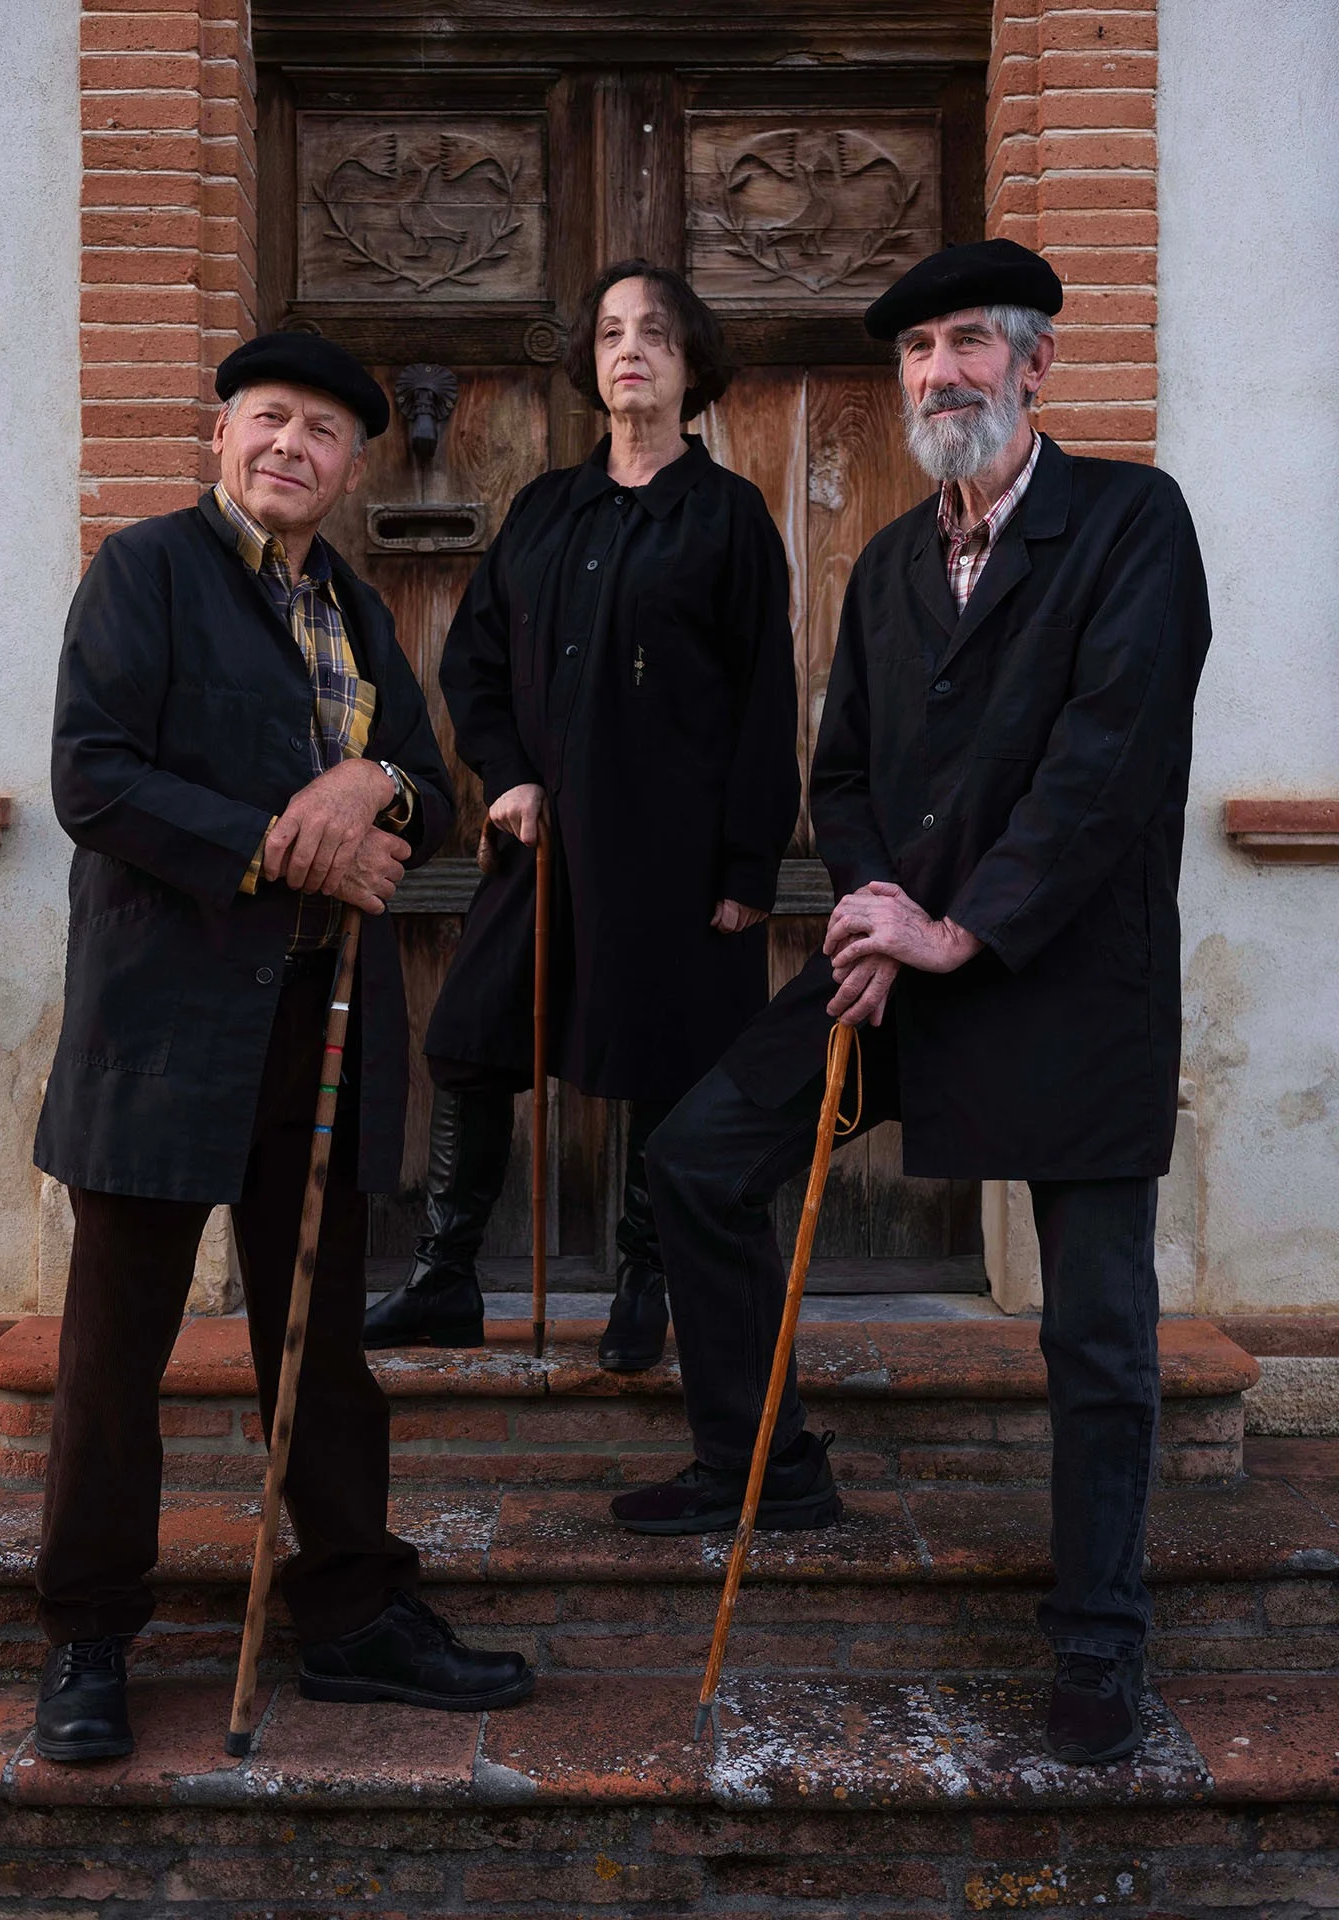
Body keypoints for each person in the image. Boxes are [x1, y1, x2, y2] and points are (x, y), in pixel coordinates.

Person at [615, 238, 1212, 1769]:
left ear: (1037, 365)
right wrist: (880, 903)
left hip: (1066, 977)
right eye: (917, 351)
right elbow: (846, 772)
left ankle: (1099, 1633)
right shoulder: (889, 559)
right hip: (901, 961)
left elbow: (1108, 764)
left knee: (1095, 1330)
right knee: (697, 1159)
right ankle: (767, 1460)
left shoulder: (1131, 522)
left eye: (967, 342)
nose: (939, 373)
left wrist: (960, 928)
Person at [31, 332, 534, 1764]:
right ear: (222, 435)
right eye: (269, 419)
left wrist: (374, 781)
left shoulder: (356, 610)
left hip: (319, 1029)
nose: (291, 448)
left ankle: (354, 1614)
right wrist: (277, 841)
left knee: (318, 1347)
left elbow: (431, 789)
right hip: (161, 1024)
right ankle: (86, 1640)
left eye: (322, 432)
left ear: (353, 467)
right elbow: (92, 776)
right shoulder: (146, 572)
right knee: (113, 1355)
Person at [363, 260, 800, 1373]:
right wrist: (506, 772)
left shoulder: (729, 517)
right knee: (470, 1040)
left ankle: (647, 1277)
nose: (630, 350)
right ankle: (446, 1275)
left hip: (675, 854)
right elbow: (474, 660)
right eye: (610, 333)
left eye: (654, 332)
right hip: (541, 845)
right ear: (590, 363)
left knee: (664, 1061)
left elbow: (766, 700)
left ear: (692, 363)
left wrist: (748, 866)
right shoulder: (545, 508)